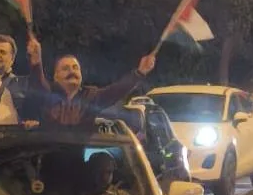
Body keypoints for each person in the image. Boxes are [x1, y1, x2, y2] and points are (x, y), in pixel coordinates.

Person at [24, 33, 156, 126]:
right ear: (55, 77)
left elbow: (116, 91)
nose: (72, 71)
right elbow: (37, 84)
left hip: (80, 163)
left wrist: (139, 73)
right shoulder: (48, 93)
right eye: (65, 68)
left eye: (75, 68)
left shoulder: (91, 96)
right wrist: (36, 62)